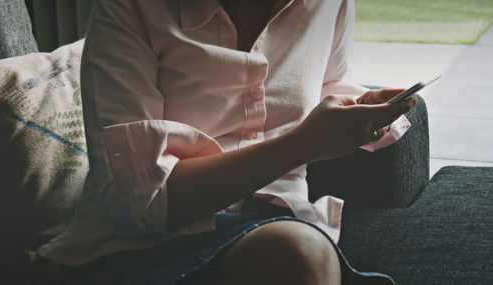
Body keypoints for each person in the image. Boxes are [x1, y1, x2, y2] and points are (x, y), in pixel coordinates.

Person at [36, 0, 416, 284]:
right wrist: (306, 143)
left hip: (274, 223)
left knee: (298, 250)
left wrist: (359, 113)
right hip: (140, 249)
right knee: (300, 252)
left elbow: (326, 80)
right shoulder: (131, 8)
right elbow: (135, 208)